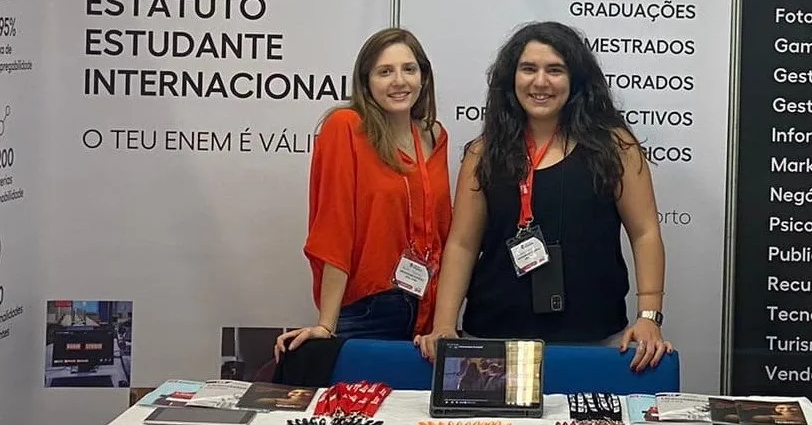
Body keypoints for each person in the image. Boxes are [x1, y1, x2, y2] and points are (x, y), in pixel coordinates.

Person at [415, 21, 672, 372]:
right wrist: (444, 324)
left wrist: (649, 316)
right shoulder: (483, 153)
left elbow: (645, 233)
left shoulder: (615, 147)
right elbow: (462, 244)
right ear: (511, 78)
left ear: (575, 79)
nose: (540, 82)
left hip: (594, 339)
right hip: (492, 340)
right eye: (528, 69)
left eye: (555, 70)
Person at [274, 28, 452, 360]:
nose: (399, 81)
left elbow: (443, 232)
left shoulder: (434, 136)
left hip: (426, 315)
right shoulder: (346, 127)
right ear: (366, 81)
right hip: (369, 310)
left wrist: (443, 319)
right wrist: (327, 324)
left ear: (424, 77)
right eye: (385, 72)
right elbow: (335, 225)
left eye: (409, 69)